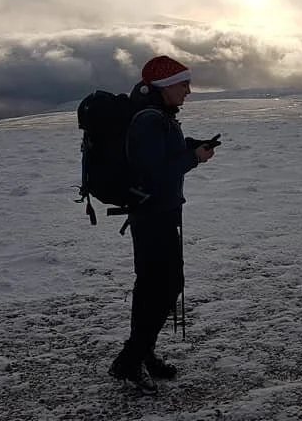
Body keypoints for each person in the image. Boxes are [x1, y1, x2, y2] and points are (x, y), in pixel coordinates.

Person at [108, 55, 217, 395]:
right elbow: (155, 172)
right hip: (153, 214)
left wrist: (189, 146)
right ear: (165, 86)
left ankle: (143, 354)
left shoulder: (159, 116)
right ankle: (129, 361)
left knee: (152, 287)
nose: (188, 91)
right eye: (184, 84)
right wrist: (193, 158)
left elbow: (160, 157)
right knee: (166, 285)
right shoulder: (149, 120)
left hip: (160, 213)